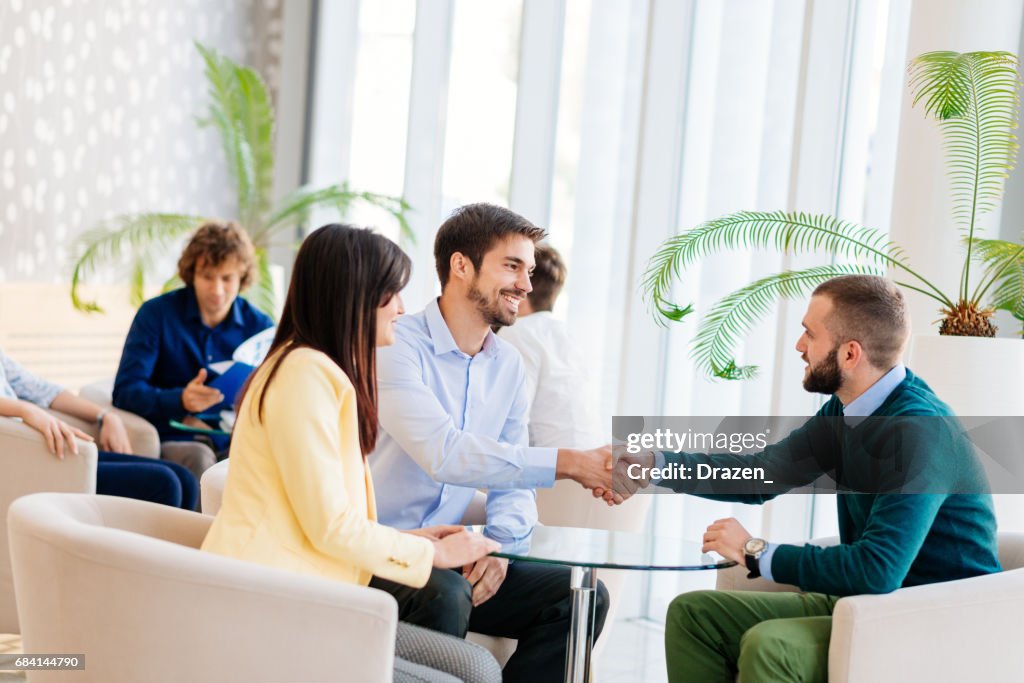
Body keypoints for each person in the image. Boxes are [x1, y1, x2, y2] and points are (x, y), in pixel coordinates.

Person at [601, 275, 1001, 683]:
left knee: (769, 645)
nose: (799, 346)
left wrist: (755, 550)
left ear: (850, 354)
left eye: (810, 334)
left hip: (931, 620)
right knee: (694, 615)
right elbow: (764, 474)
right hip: (868, 605)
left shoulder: (918, 431)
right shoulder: (848, 411)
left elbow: (877, 570)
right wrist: (654, 464)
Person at [201, 224, 503, 683]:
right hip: (274, 604)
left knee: (477, 667)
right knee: (474, 673)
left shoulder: (316, 369)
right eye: (391, 294)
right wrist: (434, 557)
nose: (402, 308)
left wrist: (417, 540)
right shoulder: (304, 375)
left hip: (317, 593)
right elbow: (329, 526)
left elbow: (322, 513)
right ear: (354, 297)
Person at [369, 204, 611, 682]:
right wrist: (568, 463)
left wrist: (497, 547)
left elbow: (512, 486)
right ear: (461, 266)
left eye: (530, 269)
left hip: (455, 559)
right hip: (384, 553)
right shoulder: (396, 346)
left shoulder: (509, 367)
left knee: (580, 594)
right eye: (512, 266)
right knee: (445, 592)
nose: (526, 284)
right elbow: (444, 453)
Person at [113, 221, 274, 479]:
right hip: (174, 436)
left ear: (242, 277)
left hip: (233, 438)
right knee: (201, 459)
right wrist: (180, 400)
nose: (217, 290)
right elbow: (125, 391)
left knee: (255, 462)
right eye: (207, 277)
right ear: (191, 274)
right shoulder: (156, 315)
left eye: (227, 278)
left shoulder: (261, 327)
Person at [1, 346, 198, 510]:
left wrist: (106, 416)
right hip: (21, 465)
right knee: (164, 483)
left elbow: (48, 392)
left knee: (185, 480)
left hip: (48, 451)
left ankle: (178, 557)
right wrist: (24, 409)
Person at [498, 243, 601, 448]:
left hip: (558, 470)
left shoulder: (518, 332)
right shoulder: (565, 334)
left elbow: (512, 422)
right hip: (593, 459)